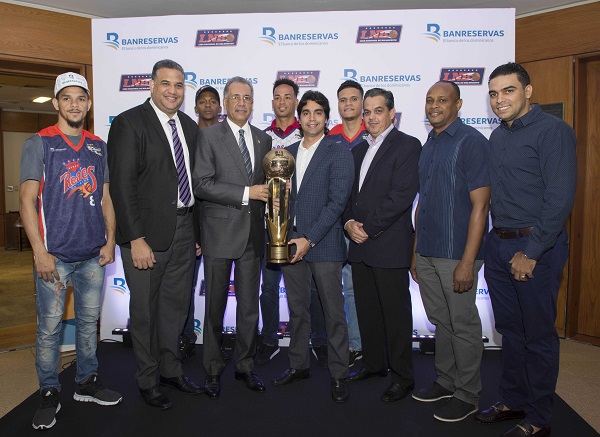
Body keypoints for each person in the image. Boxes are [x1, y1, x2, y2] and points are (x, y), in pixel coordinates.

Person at [475, 62, 577, 437]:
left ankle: (538, 417)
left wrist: (532, 252)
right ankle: (513, 400)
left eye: (508, 91)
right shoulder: (497, 136)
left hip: (537, 246)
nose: (499, 99)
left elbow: (560, 198)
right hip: (500, 244)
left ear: (528, 91)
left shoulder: (554, 132)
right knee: (510, 332)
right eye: (494, 93)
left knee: (537, 335)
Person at [20, 72, 122, 430]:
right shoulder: (40, 143)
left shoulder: (97, 145)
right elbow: (27, 199)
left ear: (89, 104)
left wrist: (109, 240)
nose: (75, 104)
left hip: (93, 254)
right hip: (55, 256)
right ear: (56, 103)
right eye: (67, 98)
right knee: (49, 329)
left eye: (81, 98)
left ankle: (86, 381)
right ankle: (49, 390)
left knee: (88, 323)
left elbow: (106, 197)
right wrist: (39, 251)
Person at [108, 59, 202, 410]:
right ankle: (148, 380)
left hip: (184, 229)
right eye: (166, 84)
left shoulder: (189, 127)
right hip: (146, 236)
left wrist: (196, 232)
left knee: (175, 310)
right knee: (145, 312)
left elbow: (195, 184)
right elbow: (122, 185)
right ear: (151, 85)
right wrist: (135, 238)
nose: (173, 91)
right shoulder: (129, 123)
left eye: (179, 85)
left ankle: (171, 371)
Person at [410, 80, 490, 422]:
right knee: (441, 321)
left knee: (463, 324)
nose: (434, 105)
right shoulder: (429, 143)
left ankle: (468, 393)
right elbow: (422, 203)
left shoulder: (471, 142)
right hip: (426, 250)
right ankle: (446, 380)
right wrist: (414, 251)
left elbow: (481, 206)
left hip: (456, 253)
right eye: (430, 100)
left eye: (442, 100)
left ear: (458, 104)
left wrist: (467, 262)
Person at [271, 90, 354, 403]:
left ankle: (338, 375)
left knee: (333, 314)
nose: (312, 118)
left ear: (326, 117)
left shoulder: (338, 150)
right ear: (299, 117)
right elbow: (283, 201)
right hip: (292, 243)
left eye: (318, 113)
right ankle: (298, 365)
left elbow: (337, 202)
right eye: (306, 113)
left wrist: (310, 238)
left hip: (325, 245)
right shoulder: (288, 152)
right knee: (297, 311)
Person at [193, 76, 271, 399]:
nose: (242, 102)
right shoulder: (209, 136)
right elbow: (202, 184)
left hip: (253, 237)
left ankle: (245, 364)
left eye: (247, 97)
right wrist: (246, 193)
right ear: (225, 103)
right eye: (235, 97)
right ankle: (212, 370)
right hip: (219, 235)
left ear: (253, 103)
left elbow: (267, 187)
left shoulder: (264, 141)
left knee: (249, 309)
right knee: (213, 308)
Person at [344, 88, 420, 403]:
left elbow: (401, 196)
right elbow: (348, 197)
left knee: (395, 316)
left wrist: (367, 229)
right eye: (368, 111)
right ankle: (374, 365)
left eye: (378, 110)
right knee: (368, 312)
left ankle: (403, 376)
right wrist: (348, 224)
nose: (372, 117)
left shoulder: (408, 146)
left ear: (392, 113)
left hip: (387, 246)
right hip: (360, 247)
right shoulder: (357, 150)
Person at [257, 78, 328, 367]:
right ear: (272, 102)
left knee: (311, 290)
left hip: (301, 227)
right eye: (277, 97)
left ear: (296, 102)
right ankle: (269, 338)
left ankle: (319, 339)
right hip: (270, 225)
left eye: (288, 96)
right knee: (269, 286)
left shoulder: (309, 141)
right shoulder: (262, 138)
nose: (282, 101)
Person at [179, 85, 222, 362]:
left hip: (224, 223)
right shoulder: (186, 136)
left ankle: (216, 344)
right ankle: (186, 338)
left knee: (220, 289)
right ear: (195, 107)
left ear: (220, 106)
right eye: (202, 101)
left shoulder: (228, 137)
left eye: (212, 101)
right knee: (185, 286)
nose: (207, 105)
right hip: (192, 224)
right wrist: (193, 232)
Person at [328, 80, 368, 367]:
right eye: (343, 100)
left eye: (354, 99)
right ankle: (353, 344)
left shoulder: (376, 134)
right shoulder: (330, 137)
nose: (348, 104)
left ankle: (369, 343)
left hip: (368, 226)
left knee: (365, 287)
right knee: (345, 288)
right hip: (335, 224)